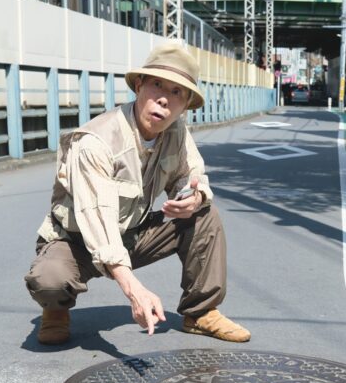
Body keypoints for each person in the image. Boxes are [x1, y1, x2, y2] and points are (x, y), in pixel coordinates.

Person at [24, 43, 250, 345]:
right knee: (49, 279)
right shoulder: (96, 142)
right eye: (157, 85)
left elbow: (192, 174)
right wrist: (135, 289)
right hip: (76, 240)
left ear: (185, 106)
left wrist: (194, 197)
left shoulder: (176, 132)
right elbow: (99, 224)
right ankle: (56, 311)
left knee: (204, 214)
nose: (164, 99)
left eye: (177, 93)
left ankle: (201, 312)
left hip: (132, 233)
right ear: (139, 85)